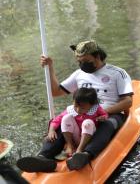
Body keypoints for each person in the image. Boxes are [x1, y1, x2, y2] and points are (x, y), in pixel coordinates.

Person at [17, 40, 133, 172]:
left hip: (109, 114)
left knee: (106, 124)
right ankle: (43, 157)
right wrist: (50, 68)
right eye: (79, 61)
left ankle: (85, 155)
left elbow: (128, 102)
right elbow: (55, 92)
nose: (82, 64)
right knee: (63, 121)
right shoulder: (79, 74)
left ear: (97, 56)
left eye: (85, 61)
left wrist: (99, 112)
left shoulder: (117, 73)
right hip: (82, 113)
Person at [48, 87, 108, 160]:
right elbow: (56, 120)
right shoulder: (71, 110)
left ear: (92, 105)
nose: (78, 110)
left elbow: (105, 115)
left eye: (82, 108)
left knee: (87, 122)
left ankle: (79, 150)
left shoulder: (96, 109)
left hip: (89, 137)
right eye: (76, 106)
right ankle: (70, 146)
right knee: (66, 118)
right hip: (76, 137)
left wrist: (103, 118)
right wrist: (51, 130)